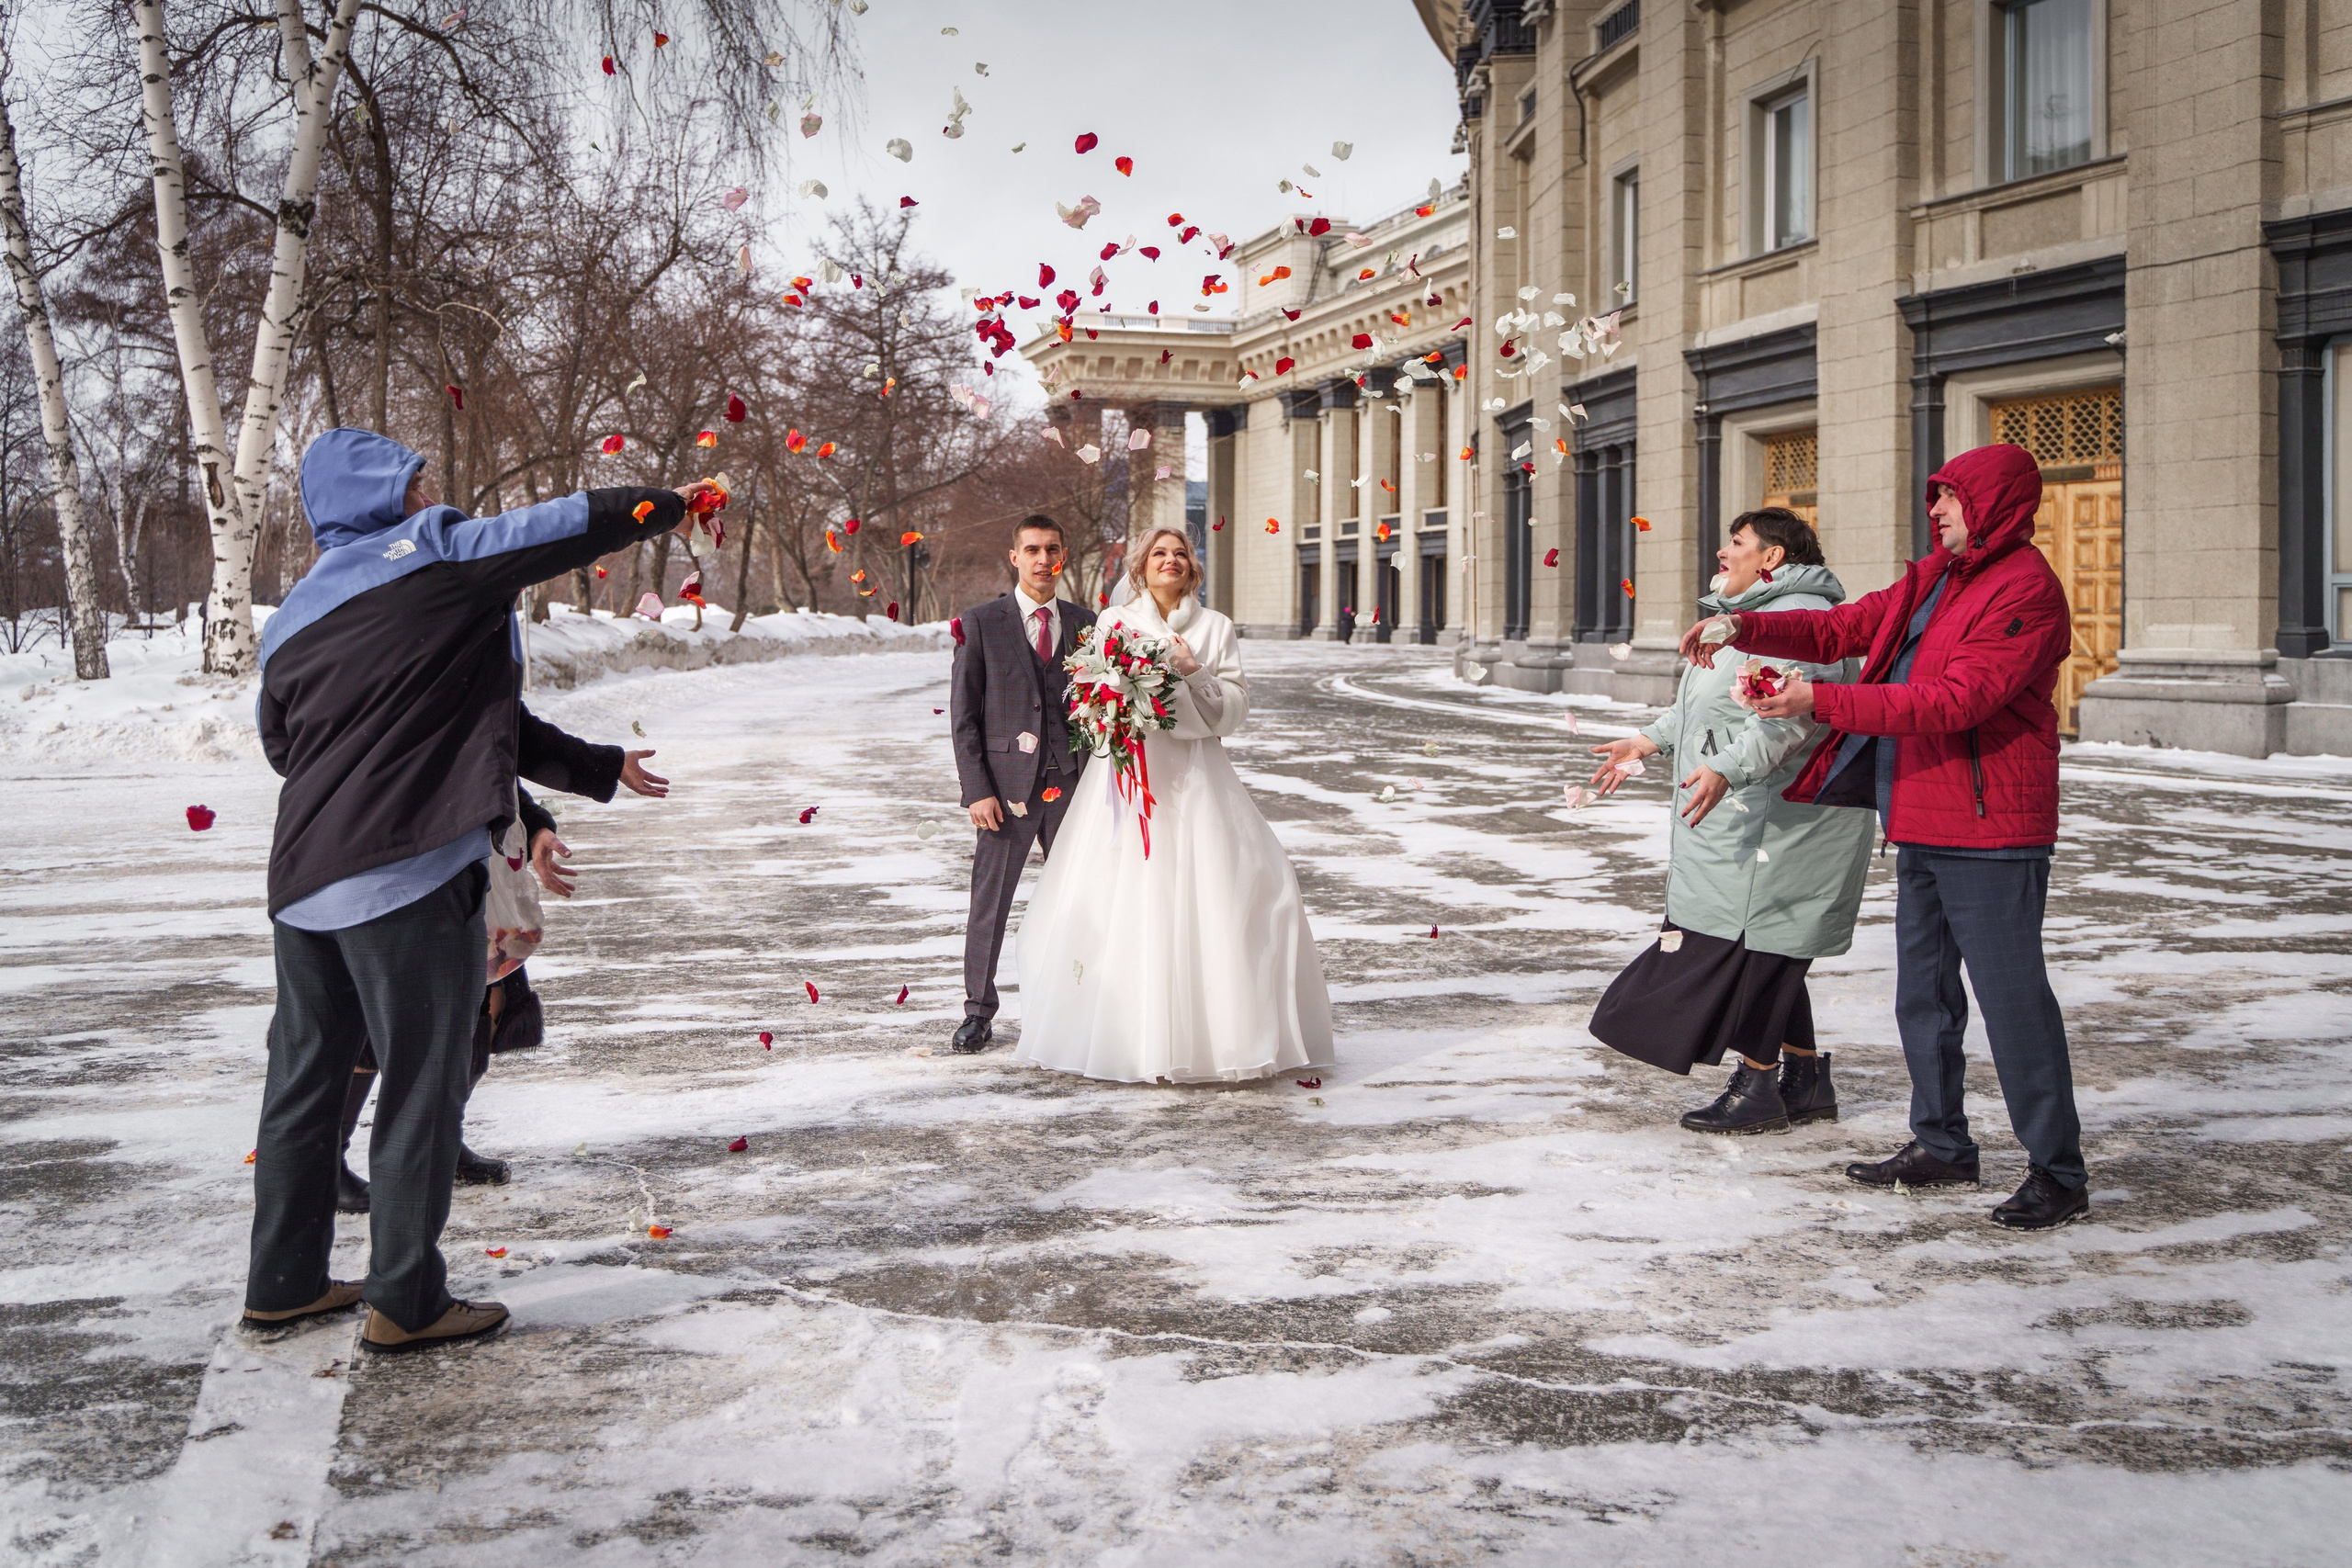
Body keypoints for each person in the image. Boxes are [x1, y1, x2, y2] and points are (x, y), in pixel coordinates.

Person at [243, 425, 715, 1350]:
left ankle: (284, 1281)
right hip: (407, 874)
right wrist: (670, 502)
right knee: (422, 1083)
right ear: (386, 493)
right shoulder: (434, 556)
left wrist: (591, 768)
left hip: (305, 881)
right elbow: (564, 526)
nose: (429, 494)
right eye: (414, 480)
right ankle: (407, 1301)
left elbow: (286, 747)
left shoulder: (294, 614)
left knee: (303, 1085)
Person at [1679, 441, 2086, 1230]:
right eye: (1935, 495)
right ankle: (1941, 1143)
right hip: (1922, 815)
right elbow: (1844, 630)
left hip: (1993, 827)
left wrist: (1816, 705)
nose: (1934, 510)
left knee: (2012, 1005)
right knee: (1923, 1000)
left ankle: (2057, 1170)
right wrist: (1739, 623)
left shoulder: (2026, 591)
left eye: (1950, 498)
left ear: (1993, 505)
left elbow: (1951, 702)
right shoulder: (1933, 578)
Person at [1586, 509, 1875, 1132]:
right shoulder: (1742, 622)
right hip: (1746, 814)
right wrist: (1649, 740)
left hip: (1785, 818)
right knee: (1774, 942)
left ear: (1770, 558)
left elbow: (1786, 719)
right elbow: (1704, 708)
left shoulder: (1799, 623)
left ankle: (1758, 1085)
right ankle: (1804, 1078)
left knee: (1762, 948)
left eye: (1737, 542)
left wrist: (1727, 769)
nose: (1723, 550)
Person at [1013, 527, 1335, 1083]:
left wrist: (1194, 671)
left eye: (1180, 553)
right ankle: (1126, 1037)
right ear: (1140, 568)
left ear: (1193, 567)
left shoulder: (1216, 628)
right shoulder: (1114, 624)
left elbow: (1233, 714)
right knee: (1125, 895)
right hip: (1126, 779)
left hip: (1197, 775)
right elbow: (1087, 698)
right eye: (1159, 554)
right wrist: (1109, 708)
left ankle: (1220, 1038)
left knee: (1231, 890)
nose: (1171, 561)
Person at [331, 712, 671, 1213]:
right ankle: (327, 1164)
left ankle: (438, 1142)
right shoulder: (399, 661)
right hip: (393, 853)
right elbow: (516, 734)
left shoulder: (462, 653)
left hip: (479, 864)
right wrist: (605, 763)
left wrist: (533, 827)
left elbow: (497, 752)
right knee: (366, 1019)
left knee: (486, 1005)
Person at [947, 515, 1099, 1054]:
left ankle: (1080, 1005)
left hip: (1074, 785)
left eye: (1051, 549)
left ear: (1063, 556)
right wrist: (977, 789)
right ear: (1014, 556)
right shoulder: (982, 622)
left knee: (1085, 901)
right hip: (1005, 792)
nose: (1042, 559)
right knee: (990, 904)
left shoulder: (1088, 624)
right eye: (1031, 549)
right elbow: (964, 716)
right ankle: (977, 1012)